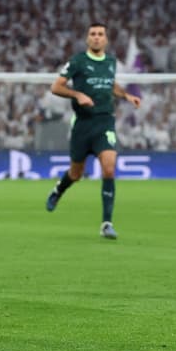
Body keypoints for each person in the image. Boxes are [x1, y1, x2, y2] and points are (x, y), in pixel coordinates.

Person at [45, 23, 142, 239]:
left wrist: (126, 95)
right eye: (93, 34)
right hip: (83, 124)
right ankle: (59, 189)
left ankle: (107, 223)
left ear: (106, 39)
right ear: (87, 39)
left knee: (109, 168)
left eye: (100, 34)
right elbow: (56, 87)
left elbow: (110, 85)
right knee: (76, 174)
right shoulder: (78, 61)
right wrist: (77, 95)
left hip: (104, 122)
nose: (97, 37)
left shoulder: (110, 62)